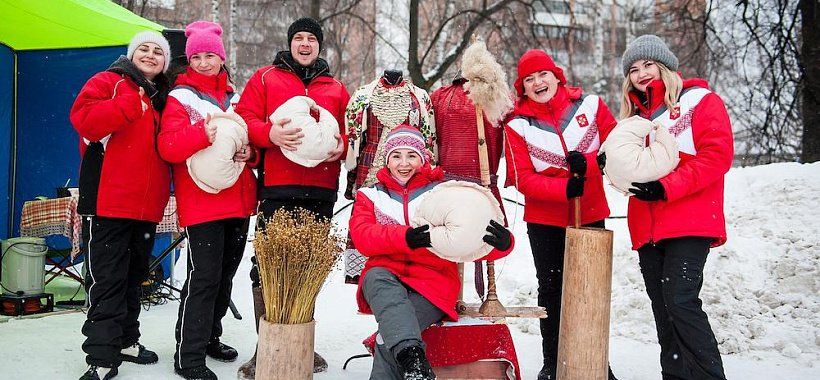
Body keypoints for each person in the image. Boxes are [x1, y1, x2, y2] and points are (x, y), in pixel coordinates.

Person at [350, 126, 514, 380]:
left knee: (390, 336)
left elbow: (468, 238)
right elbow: (363, 238)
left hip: (431, 282)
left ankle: (412, 359)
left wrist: (504, 244)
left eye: (411, 155)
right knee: (376, 277)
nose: (404, 163)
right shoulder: (370, 196)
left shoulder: (443, 193)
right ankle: (413, 360)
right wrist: (406, 238)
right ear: (387, 159)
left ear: (423, 158)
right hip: (384, 279)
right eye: (396, 155)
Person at [235, 17, 349, 375]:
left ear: (319, 45)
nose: (304, 44)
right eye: (298, 37)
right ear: (290, 43)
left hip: (321, 189)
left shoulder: (336, 87)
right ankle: (266, 348)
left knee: (308, 267)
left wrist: (342, 147)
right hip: (277, 187)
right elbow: (244, 120)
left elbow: (348, 133)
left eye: (310, 39)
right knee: (268, 267)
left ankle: (300, 345)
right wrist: (271, 135)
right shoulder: (266, 78)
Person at [619, 34, 731, 380]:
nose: (641, 74)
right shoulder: (631, 122)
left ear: (665, 66)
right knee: (663, 309)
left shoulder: (700, 101)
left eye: (648, 64)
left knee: (681, 301)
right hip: (647, 227)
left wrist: (666, 188)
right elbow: (624, 173)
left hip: (689, 220)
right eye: (634, 69)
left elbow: (718, 156)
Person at [503, 49, 618, 380]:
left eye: (543, 75)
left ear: (557, 76)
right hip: (545, 220)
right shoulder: (518, 125)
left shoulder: (591, 107)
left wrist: (592, 164)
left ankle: (595, 361)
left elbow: (617, 148)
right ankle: (553, 362)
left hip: (590, 211)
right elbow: (523, 178)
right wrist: (563, 189)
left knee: (590, 288)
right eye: (529, 79)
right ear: (522, 88)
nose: (538, 82)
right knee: (552, 290)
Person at [70, 31, 172, 380]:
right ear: (131, 55)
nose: (150, 54)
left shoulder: (163, 98)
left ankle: (127, 340)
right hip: (108, 202)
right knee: (108, 281)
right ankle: (100, 357)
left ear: (165, 63)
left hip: (146, 207)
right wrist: (128, 105)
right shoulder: (109, 81)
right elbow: (83, 120)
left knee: (133, 278)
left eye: (158, 52)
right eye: (143, 48)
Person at [158, 21, 257, 380]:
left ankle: (210, 336)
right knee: (204, 277)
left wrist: (250, 153)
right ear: (188, 59)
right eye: (196, 56)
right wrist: (202, 131)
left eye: (210, 56)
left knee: (225, 276)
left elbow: (250, 142)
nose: (203, 62)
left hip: (239, 199)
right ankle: (189, 353)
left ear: (221, 59)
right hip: (203, 201)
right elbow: (168, 147)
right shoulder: (179, 98)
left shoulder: (234, 97)